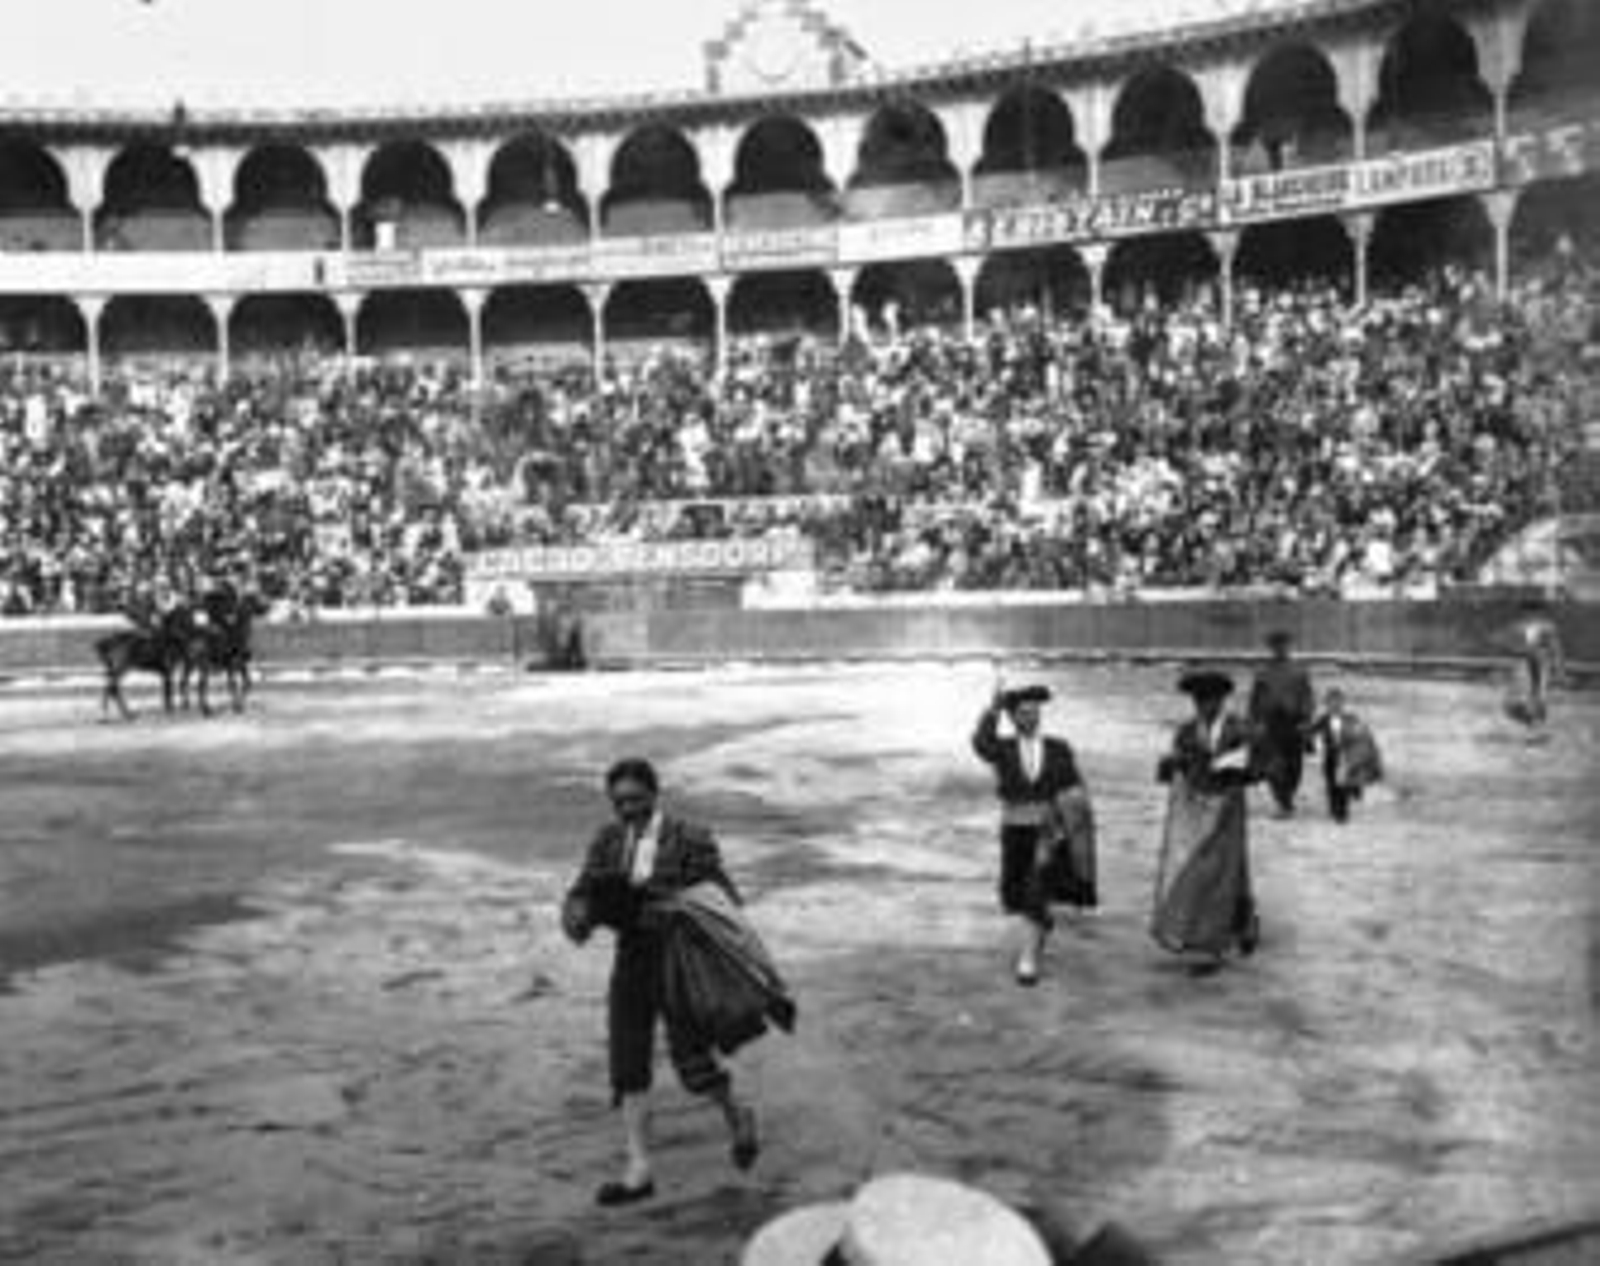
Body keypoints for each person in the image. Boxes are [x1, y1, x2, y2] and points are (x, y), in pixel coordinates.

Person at [559, 757, 761, 1206]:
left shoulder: (690, 838)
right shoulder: (608, 839)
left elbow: (725, 901)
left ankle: (737, 1112)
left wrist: (676, 909)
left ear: (655, 793)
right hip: (631, 957)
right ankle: (639, 1169)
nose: (627, 809)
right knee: (627, 1058)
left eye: (634, 799)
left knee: (692, 1060)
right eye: (618, 802)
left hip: (679, 959)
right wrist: (577, 914)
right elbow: (583, 889)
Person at [972, 681, 1091, 986]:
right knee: (1016, 896)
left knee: (1037, 887)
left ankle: (1028, 960)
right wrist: (993, 709)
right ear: (1013, 718)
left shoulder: (1058, 747)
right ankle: (1040, 923)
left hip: (1048, 830)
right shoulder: (1002, 748)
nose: (1031, 718)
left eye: (1035, 712)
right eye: (1024, 713)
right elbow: (980, 743)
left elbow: (1074, 787)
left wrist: (1071, 827)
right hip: (1014, 829)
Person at [1152, 668, 1260, 972]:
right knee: (1218, 870)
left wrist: (1240, 768)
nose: (1204, 706)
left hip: (1229, 806)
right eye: (1199, 700)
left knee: (1221, 871)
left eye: (1210, 699)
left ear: (1222, 700)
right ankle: (1245, 922)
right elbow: (1171, 772)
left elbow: (1261, 763)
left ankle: (1214, 947)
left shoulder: (1239, 728)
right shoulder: (1186, 731)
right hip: (1196, 809)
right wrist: (1171, 765)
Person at [1248, 629, 1315, 816]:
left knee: (1295, 765)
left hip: (1293, 723)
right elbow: (1255, 700)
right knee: (1273, 763)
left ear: (1289, 646)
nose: (1280, 649)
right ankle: (1283, 802)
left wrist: (1306, 720)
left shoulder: (1299, 671)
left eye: (1283, 645)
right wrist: (1254, 722)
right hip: (1270, 723)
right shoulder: (1262, 672)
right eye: (1276, 646)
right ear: (1271, 648)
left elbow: (1307, 697)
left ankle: (1288, 797)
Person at [1305, 687, 1383, 823]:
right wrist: (1308, 743)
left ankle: (1342, 812)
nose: (1334, 706)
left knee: (1343, 785)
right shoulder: (1324, 719)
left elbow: (1362, 734)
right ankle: (1333, 807)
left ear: (1342, 704)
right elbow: (1311, 732)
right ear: (1326, 705)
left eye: (1337, 703)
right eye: (1330, 703)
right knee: (1330, 784)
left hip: (1346, 757)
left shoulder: (1351, 718)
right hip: (1330, 757)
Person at [1503, 599, 1566, 736]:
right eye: (1527, 612)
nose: (1530, 615)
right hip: (1523, 664)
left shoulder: (1547, 628)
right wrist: (1522, 650)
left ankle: (1537, 729)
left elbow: (1555, 648)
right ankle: (1533, 724)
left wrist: (1559, 669)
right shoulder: (1517, 627)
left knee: (1538, 699)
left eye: (1534, 612)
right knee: (1512, 705)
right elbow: (1510, 647)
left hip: (1540, 663)